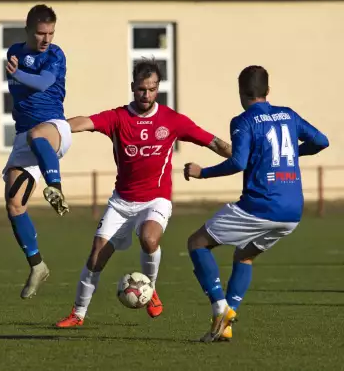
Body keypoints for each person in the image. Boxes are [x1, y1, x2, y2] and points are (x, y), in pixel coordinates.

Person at [55, 59, 232, 327]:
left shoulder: (171, 120)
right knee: (95, 257)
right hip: (121, 201)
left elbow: (212, 141)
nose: (146, 95)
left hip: (156, 198)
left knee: (149, 239)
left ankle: (149, 290)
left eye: (151, 89)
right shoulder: (118, 118)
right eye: (141, 89)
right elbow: (85, 122)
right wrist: (56, 128)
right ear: (132, 88)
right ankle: (78, 314)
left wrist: (241, 156)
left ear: (157, 88)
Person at [183, 65, 329, 342]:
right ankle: (226, 322)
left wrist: (203, 173)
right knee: (244, 255)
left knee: (197, 243)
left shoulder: (243, 120)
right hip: (292, 212)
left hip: (260, 206)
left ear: (240, 92)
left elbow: (238, 162)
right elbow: (322, 141)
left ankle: (219, 307)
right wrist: (293, 154)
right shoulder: (288, 115)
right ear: (268, 91)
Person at [3, 4, 71, 299]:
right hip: (24, 136)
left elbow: (44, 82)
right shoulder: (15, 52)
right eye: (41, 33)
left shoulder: (56, 55)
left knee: (36, 134)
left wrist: (18, 75)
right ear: (29, 30)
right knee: (14, 203)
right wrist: (17, 71)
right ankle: (37, 264)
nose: (46, 39)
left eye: (51, 33)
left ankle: (55, 188)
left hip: (53, 128)